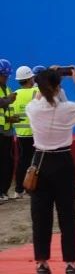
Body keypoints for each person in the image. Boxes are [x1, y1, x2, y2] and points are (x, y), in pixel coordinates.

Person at [26, 67, 75, 274]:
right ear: (58, 87)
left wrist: (47, 77)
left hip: (40, 161)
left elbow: (39, 97)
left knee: (40, 215)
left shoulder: (33, 108)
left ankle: (42, 265)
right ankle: (71, 265)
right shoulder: (67, 109)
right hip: (63, 161)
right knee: (67, 214)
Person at [7, 66, 37, 199]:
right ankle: (33, 188)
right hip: (35, 133)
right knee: (36, 162)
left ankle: (19, 189)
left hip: (20, 134)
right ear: (30, 79)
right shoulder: (36, 91)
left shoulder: (14, 94)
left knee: (22, 161)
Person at [0, 59, 15, 202]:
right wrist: (9, 100)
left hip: (7, 131)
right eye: (4, 75)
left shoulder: (8, 89)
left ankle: (4, 191)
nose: (6, 78)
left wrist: (11, 118)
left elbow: (7, 109)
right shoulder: (9, 94)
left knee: (8, 163)